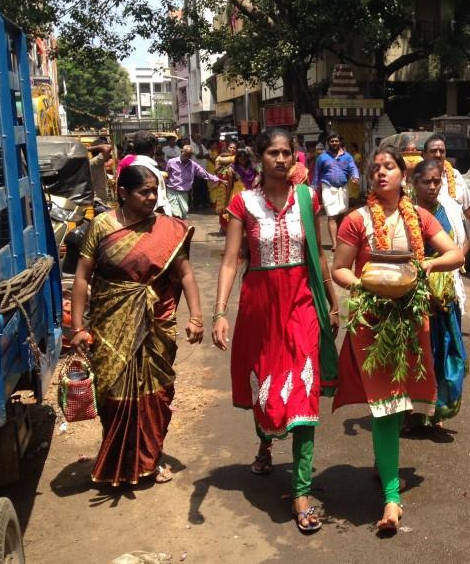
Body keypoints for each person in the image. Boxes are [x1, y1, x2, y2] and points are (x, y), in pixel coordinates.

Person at [212, 129, 339, 533]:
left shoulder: (308, 197)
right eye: (273, 152)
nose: (281, 159)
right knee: (265, 391)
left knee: (303, 393)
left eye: (287, 153)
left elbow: (317, 253)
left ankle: (301, 492)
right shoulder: (242, 204)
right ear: (259, 157)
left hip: (302, 303)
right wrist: (219, 312)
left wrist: (333, 302)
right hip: (260, 309)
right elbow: (232, 261)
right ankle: (266, 442)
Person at [331, 147, 464, 532]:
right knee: (384, 405)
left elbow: (455, 253)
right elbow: (339, 269)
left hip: (409, 320)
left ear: (403, 176)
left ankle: (384, 466)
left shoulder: (419, 216)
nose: (381, 173)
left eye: (389, 167)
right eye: (374, 169)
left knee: (400, 402)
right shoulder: (356, 221)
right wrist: (366, 287)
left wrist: (427, 264)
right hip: (371, 322)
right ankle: (392, 498)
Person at [69, 165, 204, 485]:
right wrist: (77, 328)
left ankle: (151, 458)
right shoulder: (101, 226)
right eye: (144, 191)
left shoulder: (169, 229)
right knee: (113, 394)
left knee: (155, 395)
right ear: (123, 193)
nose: (152, 196)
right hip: (110, 323)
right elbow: (81, 276)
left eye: (155, 190)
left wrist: (196, 316)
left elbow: (185, 274)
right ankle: (118, 458)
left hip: (156, 323)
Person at [410, 159, 468, 426]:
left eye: (437, 181)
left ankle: (437, 410)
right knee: (418, 356)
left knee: (444, 353)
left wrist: (446, 275)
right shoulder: (407, 214)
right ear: (414, 183)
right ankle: (412, 414)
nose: (433, 186)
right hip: (415, 295)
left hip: (444, 296)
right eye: (427, 181)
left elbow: (460, 245)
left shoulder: (450, 210)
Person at [422, 133, 470, 251]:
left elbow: (468, 206)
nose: (438, 154)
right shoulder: (419, 179)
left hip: (457, 250)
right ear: (424, 155)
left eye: (441, 151)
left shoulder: (455, 175)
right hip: (431, 251)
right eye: (433, 151)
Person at [312, 133, 360, 250]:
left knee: (342, 215)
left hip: (343, 188)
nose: (334, 143)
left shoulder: (347, 156)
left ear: (340, 142)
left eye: (336, 141)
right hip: (327, 188)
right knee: (331, 215)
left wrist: (355, 176)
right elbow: (316, 174)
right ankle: (334, 243)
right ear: (328, 143)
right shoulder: (322, 157)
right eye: (332, 141)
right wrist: (313, 189)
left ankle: (340, 239)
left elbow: (352, 167)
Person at [116, 131, 172, 216]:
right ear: (153, 148)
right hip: (150, 220)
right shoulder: (152, 171)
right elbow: (160, 203)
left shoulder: (128, 167)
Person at [165, 141, 224, 219]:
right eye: (185, 154)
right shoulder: (171, 162)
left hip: (184, 192)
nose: (186, 157)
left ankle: (180, 226)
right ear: (181, 152)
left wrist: (218, 179)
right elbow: (167, 174)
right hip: (172, 190)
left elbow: (204, 174)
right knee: (176, 212)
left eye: (189, 156)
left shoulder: (193, 165)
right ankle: (177, 228)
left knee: (184, 211)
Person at [213, 142, 238, 230]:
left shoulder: (237, 158)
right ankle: (223, 226)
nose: (232, 149)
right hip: (223, 182)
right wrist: (223, 165)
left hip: (234, 183)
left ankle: (232, 227)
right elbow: (215, 170)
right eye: (231, 147)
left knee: (232, 203)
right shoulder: (220, 157)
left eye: (234, 148)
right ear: (227, 148)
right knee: (222, 203)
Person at [88, 138, 114, 205]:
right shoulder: (95, 162)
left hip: (100, 202)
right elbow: (108, 147)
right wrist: (88, 148)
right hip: (98, 202)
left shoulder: (97, 163)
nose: (109, 154)